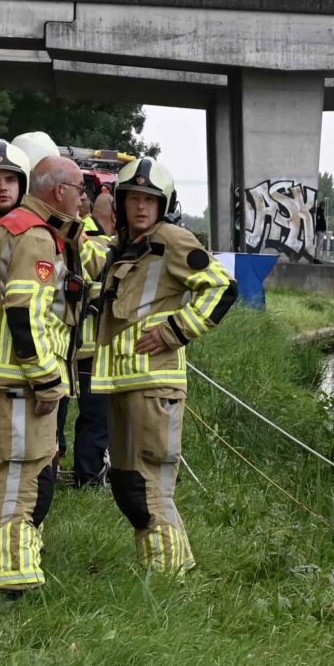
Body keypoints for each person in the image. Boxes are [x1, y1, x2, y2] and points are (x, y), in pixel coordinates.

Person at [88, 159, 234, 571]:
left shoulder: (172, 239)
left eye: (149, 199)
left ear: (163, 204)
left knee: (148, 484)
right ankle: (166, 566)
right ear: (121, 201)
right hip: (124, 382)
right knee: (127, 483)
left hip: (155, 384)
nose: (141, 207)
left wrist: (175, 331)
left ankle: (169, 577)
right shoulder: (124, 246)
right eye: (133, 197)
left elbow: (223, 287)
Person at [0, 144, 81, 594]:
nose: (82, 199)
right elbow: (25, 311)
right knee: (24, 470)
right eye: (78, 189)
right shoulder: (36, 235)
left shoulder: (5, 227)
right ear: (60, 191)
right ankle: (14, 574)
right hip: (17, 377)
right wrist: (46, 377)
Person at [64, 181, 115, 487]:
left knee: (62, 414)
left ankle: (62, 468)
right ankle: (89, 475)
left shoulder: (78, 233)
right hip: (90, 344)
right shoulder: (90, 238)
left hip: (70, 343)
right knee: (95, 415)